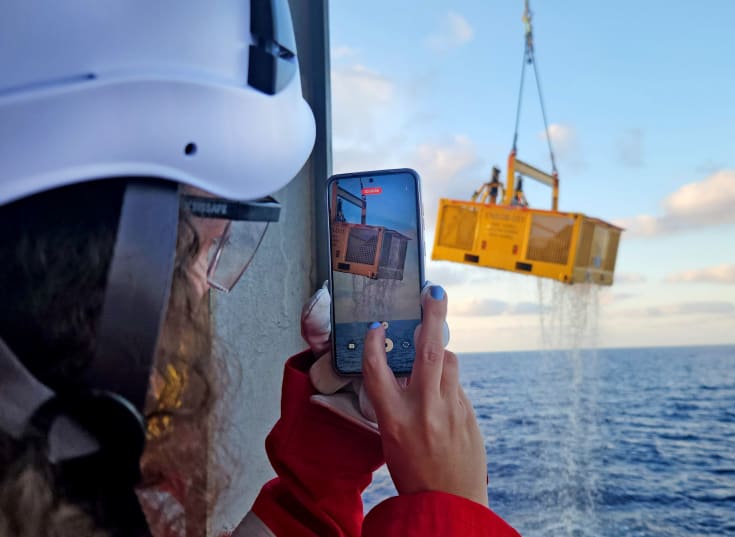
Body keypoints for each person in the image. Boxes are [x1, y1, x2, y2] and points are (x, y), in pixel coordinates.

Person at [0, 2, 521, 536]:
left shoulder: (44, 471)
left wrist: (331, 442)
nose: (203, 291)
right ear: (75, 245)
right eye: (191, 251)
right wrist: (452, 512)